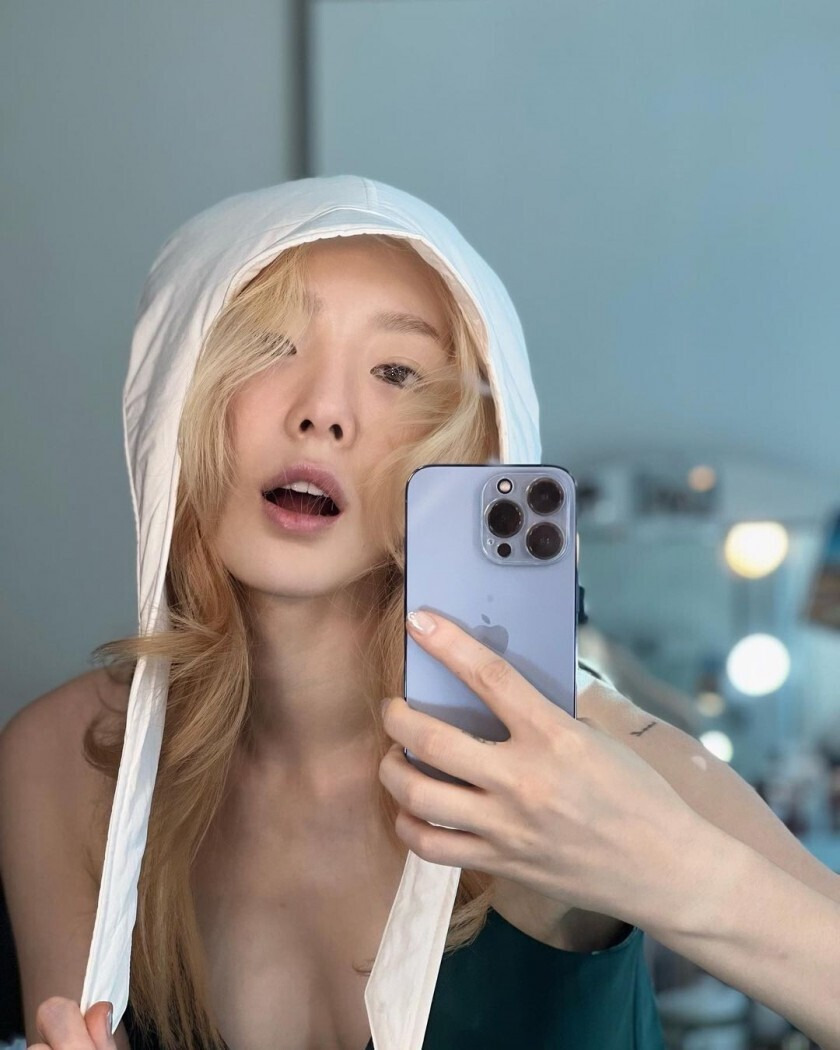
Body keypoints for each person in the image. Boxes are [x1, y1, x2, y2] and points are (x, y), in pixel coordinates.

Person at [0, 176, 834, 1050]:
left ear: (470, 446)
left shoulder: (579, 755)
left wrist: (668, 870)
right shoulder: (65, 767)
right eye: (267, 346)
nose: (323, 413)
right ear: (172, 393)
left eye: (396, 372)